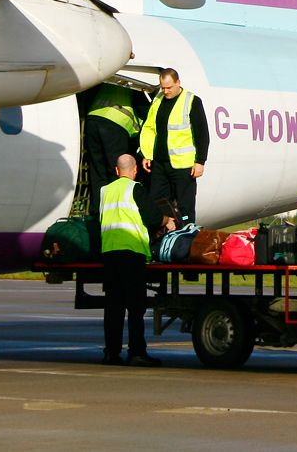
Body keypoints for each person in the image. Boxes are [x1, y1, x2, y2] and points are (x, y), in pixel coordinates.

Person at [99, 153, 171, 367]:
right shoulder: (135, 189)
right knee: (135, 306)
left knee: (113, 307)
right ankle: (136, 352)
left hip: (109, 252)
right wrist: (168, 220)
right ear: (135, 170)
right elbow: (152, 218)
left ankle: (111, 353)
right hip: (131, 252)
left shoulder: (105, 191)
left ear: (116, 170)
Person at [140, 68, 209, 228]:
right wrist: (147, 154)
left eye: (169, 87)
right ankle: (161, 240)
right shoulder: (158, 100)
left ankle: (186, 239)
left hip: (183, 166)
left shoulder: (191, 101)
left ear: (178, 83)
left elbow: (202, 134)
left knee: (185, 207)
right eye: (163, 88)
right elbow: (149, 128)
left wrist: (200, 161)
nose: (166, 91)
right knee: (158, 203)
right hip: (160, 164)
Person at [84, 83, 149, 218]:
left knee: (97, 172)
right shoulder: (137, 83)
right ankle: (114, 212)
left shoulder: (116, 78)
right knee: (116, 172)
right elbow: (143, 109)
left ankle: (97, 212)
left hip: (93, 118)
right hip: (115, 124)